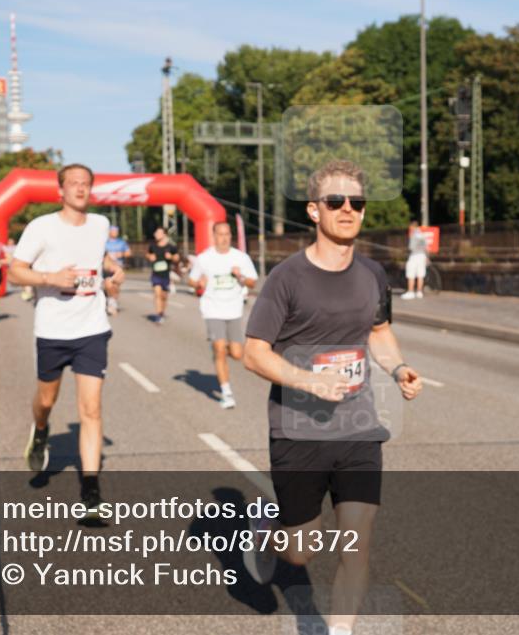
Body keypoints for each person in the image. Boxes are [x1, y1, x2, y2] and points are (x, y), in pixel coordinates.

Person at [242, 160, 423, 635]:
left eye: (356, 202)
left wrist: (398, 368)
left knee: (356, 545)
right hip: (297, 431)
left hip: (359, 428)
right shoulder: (287, 278)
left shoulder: (373, 274)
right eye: (335, 201)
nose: (347, 209)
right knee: (300, 551)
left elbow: (379, 332)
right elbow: (253, 353)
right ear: (314, 210)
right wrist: (309, 382)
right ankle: (267, 530)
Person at [8, 164, 125, 516]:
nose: (80, 188)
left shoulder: (100, 224)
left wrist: (113, 270)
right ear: (60, 191)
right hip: (53, 331)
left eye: (85, 183)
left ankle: (91, 492)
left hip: (92, 329)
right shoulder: (41, 227)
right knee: (46, 400)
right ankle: (41, 430)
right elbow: (15, 271)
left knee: (91, 409)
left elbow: (98, 255)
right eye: (73, 183)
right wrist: (50, 278)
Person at [186, 221, 258, 409]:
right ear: (214, 236)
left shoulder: (240, 257)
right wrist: (199, 283)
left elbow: (253, 282)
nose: (224, 238)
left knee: (237, 353)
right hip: (212, 309)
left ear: (231, 236)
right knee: (219, 349)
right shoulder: (204, 258)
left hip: (234, 309)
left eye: (227, 234)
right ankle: (226, 393)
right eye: (220, 234)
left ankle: (220, 347)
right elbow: (191, 280)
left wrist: (240, 276)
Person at [146, 227, 179, 324]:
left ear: (164, 234)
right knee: (157, 294)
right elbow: (147, 254)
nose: (156, 234)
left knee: (164, 296)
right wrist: (150, 256)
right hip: (155, 274)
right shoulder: (152, 246)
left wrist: (171, 257)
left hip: (165, 275)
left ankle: (162, 313)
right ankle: (158, 315)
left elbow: (177, 258)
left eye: (158, 233)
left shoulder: (171, 247)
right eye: (155, 233)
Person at [103, 225, 131, 315]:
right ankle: (110, 301)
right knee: (108, 284)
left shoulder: (121, 242)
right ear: (109, 232)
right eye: (113, 231)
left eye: (116, 231)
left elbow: (129, 253)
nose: (115, 232)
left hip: (118, 267)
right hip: (107, 267)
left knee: (116, 286)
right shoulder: (104, 242)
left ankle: (112, 301)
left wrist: (121, 254)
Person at [402, 220, 428, 300]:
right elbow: (426, 247)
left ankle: (410, 292)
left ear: (412, 226)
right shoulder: (422, 234)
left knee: (411, 274)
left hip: (414, 256)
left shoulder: (413, 235)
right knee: (420, 275)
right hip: (422, 255)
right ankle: (419, 292)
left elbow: (411, 247)